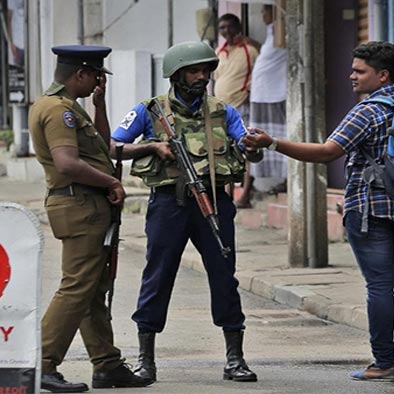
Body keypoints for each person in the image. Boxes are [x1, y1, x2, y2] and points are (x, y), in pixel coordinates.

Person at [243, 41, 394, 382]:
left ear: (382, 75)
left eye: (359, 71)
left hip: (371, 210)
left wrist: (273, 143)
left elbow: (326, 152)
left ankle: (384, 362)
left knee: (379, 287)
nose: (351, 76)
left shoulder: (368, 111)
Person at [110, 41, 261, 384]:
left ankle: (234, 357)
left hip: (214, 203)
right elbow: (113, 145)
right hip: (169, 204)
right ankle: (145, 360)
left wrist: (252, 146)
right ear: (176, 74)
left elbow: (244, 145)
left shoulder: (223, 111)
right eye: (194, 71)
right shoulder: (149, 110)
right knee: (158, 276)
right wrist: (151, 146)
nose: (202, 77)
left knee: (224, 276)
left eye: (206, 70)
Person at [28, 45, 152, 393]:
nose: (100, 80)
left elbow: (103, 148)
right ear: (80, 74)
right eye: (97, 75)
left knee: (92, 289)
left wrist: (99, 106)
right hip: (79, 206)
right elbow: (67, 163)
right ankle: (44, 361)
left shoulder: (71, 109)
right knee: (77, 286)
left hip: (85, 206)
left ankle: (107, 363)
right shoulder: (58, 111)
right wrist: (112, 181)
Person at [214, 13, 259, 208]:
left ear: (238, 27)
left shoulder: (249, 50)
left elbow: (257, 75)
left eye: (229, 27)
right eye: (222, 28)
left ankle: (246, 193)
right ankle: (228, 194)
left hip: (242, 105)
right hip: (221, 107)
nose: (226, 31)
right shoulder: (219, 52)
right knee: (225, 150)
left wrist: (248, 93)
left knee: (247, 148)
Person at [247, 4, 288, 199]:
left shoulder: (284, 31)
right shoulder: (272, 33)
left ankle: (287, 178)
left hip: (275, 94)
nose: (262, 15)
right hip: (262, 93)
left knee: (281, 135)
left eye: (265, 10)